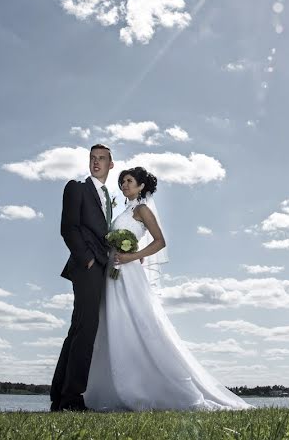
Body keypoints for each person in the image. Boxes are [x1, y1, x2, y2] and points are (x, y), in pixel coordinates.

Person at [84, 166, 251, 411]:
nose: (124, 185)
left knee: (139, 322)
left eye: (129, 181)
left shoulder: (142, 210)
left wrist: (134, 256)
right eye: (122, 182)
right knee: (113, 323)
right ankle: (109, 387)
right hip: (113, 272)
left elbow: (160, 241)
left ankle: (146, 386)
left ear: (141, 186)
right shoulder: (124, 211)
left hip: (128, 272)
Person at [50, 144, 114, 412]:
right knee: (85, 329)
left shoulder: (111, 197)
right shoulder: (76, 187)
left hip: (103, 268)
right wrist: (87, 259)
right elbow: (68, 227)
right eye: (92, 158)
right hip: (87, 266)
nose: (96, 162)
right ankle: (72, 398)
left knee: (79, 328)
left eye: (101, 159)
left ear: (111, 164)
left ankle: (60, 395)